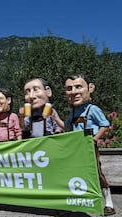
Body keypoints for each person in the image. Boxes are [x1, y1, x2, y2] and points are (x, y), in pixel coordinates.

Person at [53, 75, 115, 216]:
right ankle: (75, 203)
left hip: (89, 148)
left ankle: (109, 203)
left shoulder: (92, 109)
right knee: (74, 174)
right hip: (75, 149)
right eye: (69, 89)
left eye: (78, 87)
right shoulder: (74, 112)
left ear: (90, 88)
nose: (74, 92)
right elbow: (66, 126)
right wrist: (55, 118)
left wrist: (94, 139)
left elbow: (105, 125)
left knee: (97, 174)